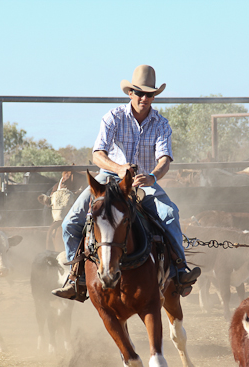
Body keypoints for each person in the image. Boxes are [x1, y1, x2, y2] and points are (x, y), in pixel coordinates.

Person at [52, 64, 200, 301]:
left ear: (154, 96)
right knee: (70, 223)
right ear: (130, 93)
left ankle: (180, 271)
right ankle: (75, 277)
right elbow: (97, 154)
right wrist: (119, 168)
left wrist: (153, 176)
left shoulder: (161, 124)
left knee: (170, 214)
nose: (144, 98)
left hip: (143, 182)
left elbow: (164, 160)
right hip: (108, 178)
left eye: (149, 94)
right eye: (139, 93)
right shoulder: (113, 117)